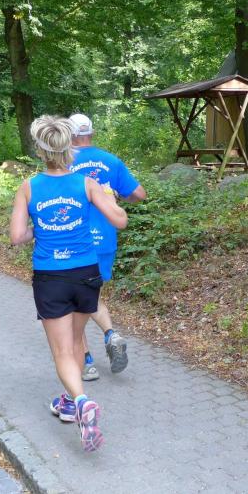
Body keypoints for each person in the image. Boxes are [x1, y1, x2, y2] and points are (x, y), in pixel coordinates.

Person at [9, 115, 128, 452]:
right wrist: (108, 199)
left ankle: (81, 402)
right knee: (75, 341)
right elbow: (120, 220)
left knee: (63, 350)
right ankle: (68, 400)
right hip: (86, 274)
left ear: (40, 151)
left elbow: (17, 236)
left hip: (51, 276)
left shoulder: (29, 187)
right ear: (68, 149)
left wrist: (40, 228)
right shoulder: (87, 184)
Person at [67, 113, 146, 381]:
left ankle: (87, 362)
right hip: (105, 239)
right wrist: (117, 196)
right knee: (92, 296)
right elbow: (139, 194)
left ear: (69, 134)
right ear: (91, 132)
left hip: (74, 241)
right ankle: (111, 334)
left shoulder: (63, 161)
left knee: (73, 304)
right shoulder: (111, 160)